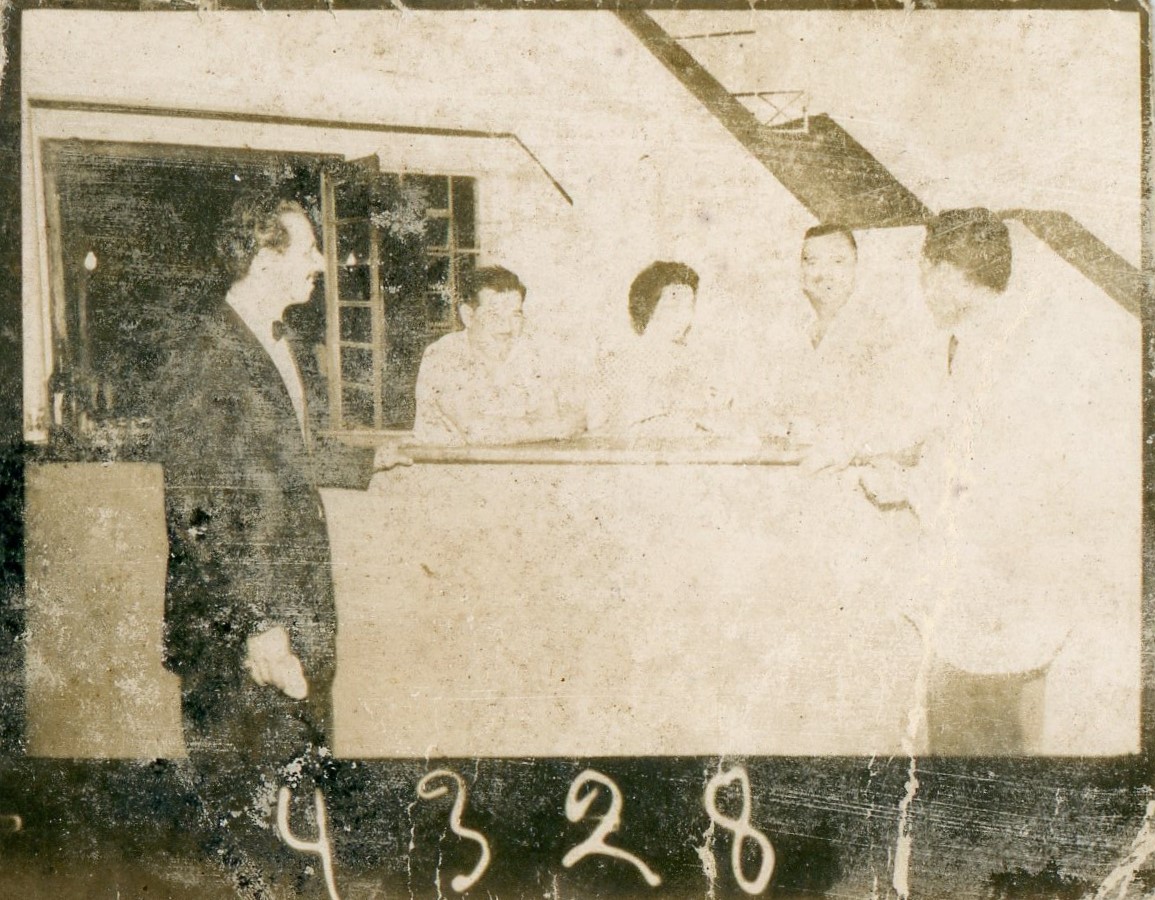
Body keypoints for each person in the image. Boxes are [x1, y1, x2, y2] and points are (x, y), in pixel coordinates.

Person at [151, 195, 401, 897]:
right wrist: (259, 626)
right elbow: (200, 508)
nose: (321, 261)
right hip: (244, 630)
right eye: (308, 249)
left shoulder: (275, 339)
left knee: (295, 813)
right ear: (264, 260)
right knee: (247, 826)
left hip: (292, 614)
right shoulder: (204, 351)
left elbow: (278, 457)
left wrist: (364, 462)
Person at [859, 207, 1137, 753]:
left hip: (990, 605)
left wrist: (903, 486)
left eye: (924, 271)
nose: (923, 287)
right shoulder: (1008, 337)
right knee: (1008, 749)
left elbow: (990, 483)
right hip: (1018, 607)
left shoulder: (994, 355)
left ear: (945, 272)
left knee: (970, 758)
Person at [412, 265, 584, 445]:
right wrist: (551, 428)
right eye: (494, 315)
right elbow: (477, 432)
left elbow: (556, 415)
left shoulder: (527, 355)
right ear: (468, 316)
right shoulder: (444, 355)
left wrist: (549, 426)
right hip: (445, 462)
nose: (507, 328)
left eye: (515, 316)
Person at [589, 261, 738, 442]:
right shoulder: (621, 363)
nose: (684, 316)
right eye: (674, 307)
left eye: (689, 306)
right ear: (648, 308)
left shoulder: (697, 364)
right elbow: (606, 428)